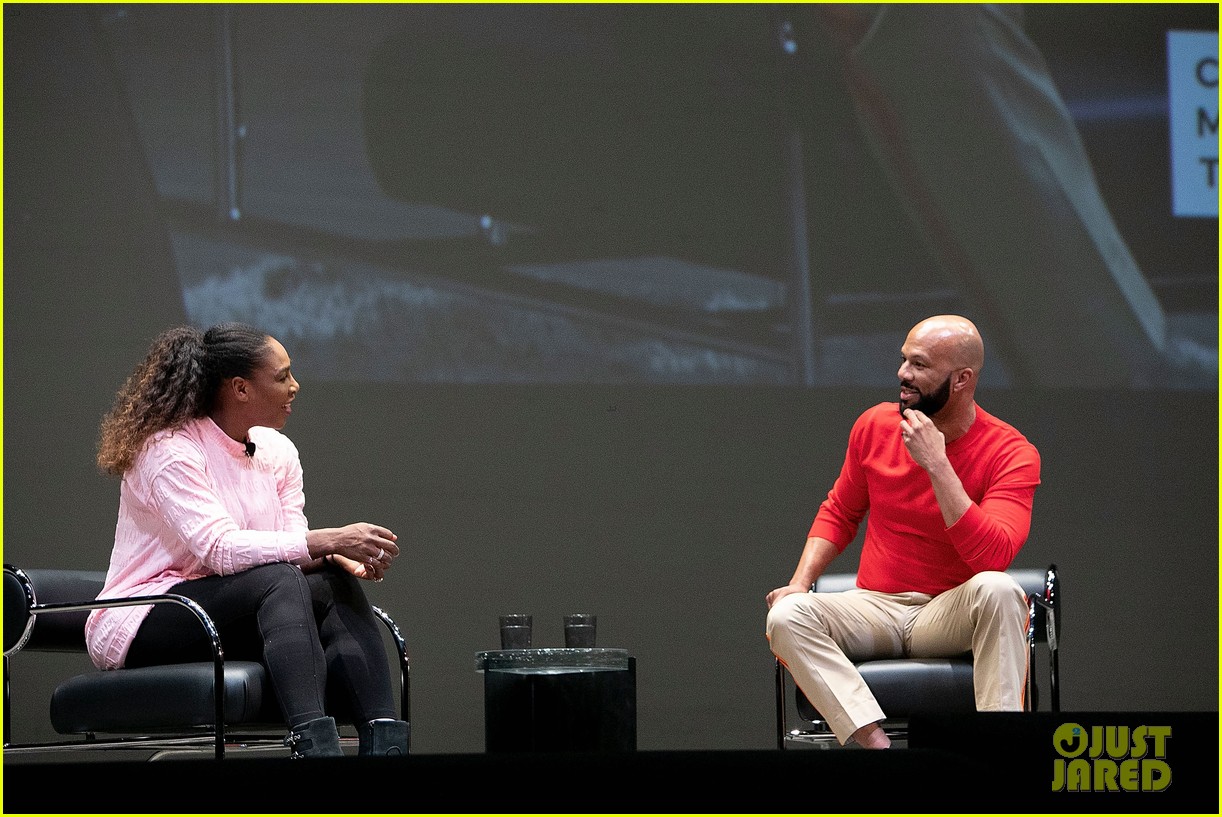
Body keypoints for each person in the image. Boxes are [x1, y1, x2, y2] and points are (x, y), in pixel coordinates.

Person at [88, 322, 408, 757]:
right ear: (240, 388)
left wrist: (331, 556)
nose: (295, 386)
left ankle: (387, 747)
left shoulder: (277, 451)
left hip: (229, 608)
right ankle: (313, 749)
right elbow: (219, 550)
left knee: (330, 582)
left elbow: (289, 546)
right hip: (147, 614)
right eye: (282, 377)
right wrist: (326, 540)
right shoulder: (168, 450)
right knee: (280, 580)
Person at [765, 314, 1041, 749]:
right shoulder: (874, 425)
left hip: (948, 613)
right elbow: (840, 511)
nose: (903, 374)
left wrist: (938, 464)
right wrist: (799, 583)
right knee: (786, 614)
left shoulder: (1011, 452)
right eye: (904, 360)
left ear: (962, 379)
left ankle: (999, 753)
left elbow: (992, 557)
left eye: (919, 364)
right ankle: (876, 744)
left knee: (1000, 589)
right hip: (875, 607)